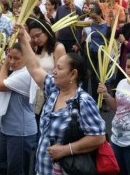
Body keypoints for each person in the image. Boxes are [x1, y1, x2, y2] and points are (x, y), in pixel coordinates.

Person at [17, 24, 106, 175]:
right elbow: (34, 68)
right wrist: (22, 38)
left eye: (59, 68)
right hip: (43, 168)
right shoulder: (53, 89)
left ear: (73, 74)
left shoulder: (83, 101)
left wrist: (66, 150)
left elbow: (98, 137)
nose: (54, 71)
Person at [0, 43, 37, 175]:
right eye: (10, 57)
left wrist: (5, 65)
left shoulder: (26, 74)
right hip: (7, 128)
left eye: (16, 58)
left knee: (16, 171)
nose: (12, 61)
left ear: (28, 57)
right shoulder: (17, 71)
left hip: (21, 131)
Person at [86, 3, 110, 99]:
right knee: (92, 76)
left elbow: (110, 37)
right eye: (92, 18)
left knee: (101, 76)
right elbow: (79, 23)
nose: (93, 20)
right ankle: (94, 97)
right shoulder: (92, 23)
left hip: (102, 54)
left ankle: (103, 99)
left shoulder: (107, 25)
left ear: (100, 14)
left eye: (95, 17)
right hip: (92, 52)